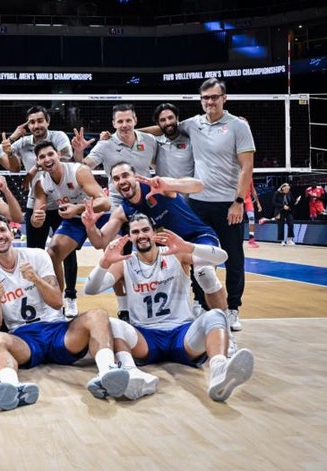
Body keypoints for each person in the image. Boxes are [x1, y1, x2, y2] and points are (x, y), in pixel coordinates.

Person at [84, 214, 254, 402]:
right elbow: (91, 289)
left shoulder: (176, 253)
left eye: (145, 230)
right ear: (130, 237)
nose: (141, 235)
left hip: (181, 334)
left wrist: (189, 247)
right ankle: (132, 374)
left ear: (154, 232)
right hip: (146, 337)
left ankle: (219, 370)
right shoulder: (125, 262)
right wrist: (104, 263)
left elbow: (223, 256)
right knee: (112, 324)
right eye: (135, 232)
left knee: (215, 315)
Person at [0, 214, 131, 410]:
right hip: (25, 339)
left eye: (2, 230)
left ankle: (107, 373)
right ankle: (13, 387)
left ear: (12, 233)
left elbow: (57, 302)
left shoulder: (38, 256)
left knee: (98, 314)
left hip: (57, 330)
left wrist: (36, 279)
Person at [81, 163, 233, 326]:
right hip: (169, 251)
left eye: (125, 175)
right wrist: (90, 227)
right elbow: (100, 241)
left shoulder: (158, 185)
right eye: (116, 178)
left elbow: (198, 185)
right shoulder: (123, 211)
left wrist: (170, 184)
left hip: (197, 237)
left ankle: (225, 328)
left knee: (205, 273)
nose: (121, 181)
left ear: (135, 176)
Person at [178, 78, 255, 336]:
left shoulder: (238, 126)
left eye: (214, 97)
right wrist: (129, 131)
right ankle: (200, 304)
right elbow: (163, 128)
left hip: (227, 204)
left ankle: (232, 308)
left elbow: (246, 166)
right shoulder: (193, 124)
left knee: (233, 258)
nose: (209, 102)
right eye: (205, 98)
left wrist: (238, 201)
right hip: (198, 204)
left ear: (224, 98)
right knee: (199, 257)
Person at [8, 106, 82, 320]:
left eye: (40, 121)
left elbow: (65, 160)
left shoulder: (58, 137)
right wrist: (12, 139)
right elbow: (11, 165)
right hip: (36, 203)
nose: (36, 125)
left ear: (47, 122)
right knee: (35, 254)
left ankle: (70, 297)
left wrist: (34, 168)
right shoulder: (22, 143)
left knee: (66, 253)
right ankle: (41, 296)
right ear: (27, 125)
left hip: (62, 202)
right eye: (32, 122)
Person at [30, 140, 110, 318]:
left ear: (58, 154)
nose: (47, 159)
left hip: (100, 216)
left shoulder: (78, 171)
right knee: (52, 253)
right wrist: (36, 218)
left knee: (115, 256)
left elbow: (104, 202)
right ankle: (61, 302)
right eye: (42, 157)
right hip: (75, 220)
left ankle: (126, 306)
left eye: (50, 154)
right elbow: (37, 218)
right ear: (38, 161)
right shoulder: (41, 183)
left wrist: (78, 208)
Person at [70, 104, 157, 207]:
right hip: (118, 201)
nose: (124, 125)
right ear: (114, 124)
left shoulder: (149, 140)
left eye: (128, 120)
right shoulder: (105, 144)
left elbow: (156, 164)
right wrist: (79, 152)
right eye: (120, 121)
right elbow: (84, 167)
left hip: (146, 198)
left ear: (135, 121)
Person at [151, 103, 194, 180]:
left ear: (177, 118)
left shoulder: (191, 141)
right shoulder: (155, 143)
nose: (168, 122)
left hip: (187, 191)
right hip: (163, 191)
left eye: (170, 118)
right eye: (163, 120)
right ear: (158, 124)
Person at [244, 180, 262, 248]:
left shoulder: (249, 177)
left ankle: (251, 238)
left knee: (251, 219)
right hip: (238, 199)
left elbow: (253, 190)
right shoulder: (237, 175)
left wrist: (258, 203)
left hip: (248, 200)